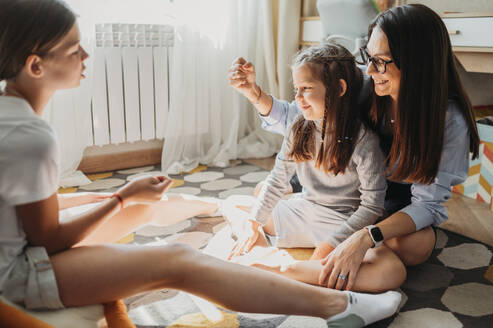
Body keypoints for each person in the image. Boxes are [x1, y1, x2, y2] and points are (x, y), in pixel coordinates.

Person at [0, 1, 402, 327]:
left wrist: (111, 198)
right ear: (36, 66)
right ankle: (338, 307)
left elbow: (31, 211)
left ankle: (219, 207)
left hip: (24, 251)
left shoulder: (11, 115)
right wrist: (119, 198)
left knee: (147, 206)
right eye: (74, 49)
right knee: (177, 257)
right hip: (22, 272)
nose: (86, 54)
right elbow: (46, 240)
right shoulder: (31, 136)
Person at [228, 3, 480, 291]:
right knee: (265, 192)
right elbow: (301, 119)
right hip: (345, 188)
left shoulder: (448, 120)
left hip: (392, 204)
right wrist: (255, 95)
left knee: (415, 247)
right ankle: (307, 207)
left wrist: (365, 237)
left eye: (381, 60)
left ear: (417, 62)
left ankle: (298, 262)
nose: (371, 69)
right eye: (369, 57)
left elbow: (428, 205)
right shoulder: (366, 81)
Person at [229, 43, 406, 293]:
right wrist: (254, 222)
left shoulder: (364, 141)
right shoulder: (298, 128)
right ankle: (279, 265)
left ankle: (279, 271)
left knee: (391, 270)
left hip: (344, 222)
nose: (297, 99)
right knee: (236, 206)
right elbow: (277, 180)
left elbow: (372, 205)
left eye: (306, 89)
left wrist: (331, 244)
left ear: (339, 89)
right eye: (296, 90)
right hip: (305, 210)